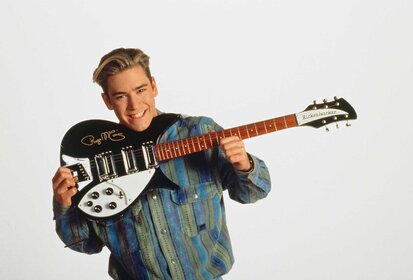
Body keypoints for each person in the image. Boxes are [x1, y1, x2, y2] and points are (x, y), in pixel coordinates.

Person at [52, 48, 271, 280]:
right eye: (120, 96)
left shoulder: (199, 132)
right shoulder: (92, 157)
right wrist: (64, 207)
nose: (134, 106)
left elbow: (254, 192)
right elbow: (84, 244)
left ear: (154, 86)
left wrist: (244, 165)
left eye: (141, 90)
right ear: (107, 100)